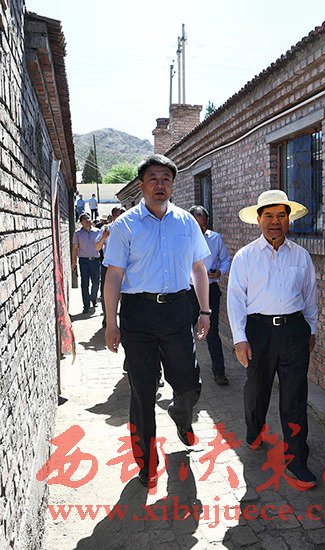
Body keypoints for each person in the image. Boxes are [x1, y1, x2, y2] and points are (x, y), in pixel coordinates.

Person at [103, 154, 211, 488]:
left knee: (189, 383)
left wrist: (205, 311)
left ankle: (181, 414)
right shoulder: (125, 225)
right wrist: (111, 323)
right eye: (153, 178)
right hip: (139, 315)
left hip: (178, 310)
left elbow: (198, 269)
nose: (160, 184)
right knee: (143, 391)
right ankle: (146, 463)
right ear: (142, 184)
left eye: (166, 178)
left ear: (173, 184)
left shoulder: (186, 222)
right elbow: (114, 276)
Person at [227, 189, 318, 487]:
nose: (275, 221)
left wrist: (311, 329)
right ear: (259, 219)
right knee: (257, 390)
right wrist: (239, 338)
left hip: (294, 331)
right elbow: (235, 299)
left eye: (281, 215)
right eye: (269, 216)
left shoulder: (301, 256)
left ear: (289, 220)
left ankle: (297, 460)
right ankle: (254, 431)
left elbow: (310, 296)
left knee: (294, 398)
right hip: (258, 332)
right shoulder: (245, 257)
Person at [187, 205, 231, 385]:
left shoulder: (215, 239)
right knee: (185, 331)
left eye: (204, 225)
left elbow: (226, 259)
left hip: (210, 290)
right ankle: (187, 373)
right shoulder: (181, 240)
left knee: (212, 332)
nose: (201, 229)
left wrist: (220, 271)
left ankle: (219, 372)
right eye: (197, 225)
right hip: (188, 292)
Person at [95, 206, 126, 327]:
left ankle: (125, 319)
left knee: (126, 293)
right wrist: (104, 237)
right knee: (107, 293)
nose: (122, 217)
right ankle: (108, 318)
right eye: (119, 215)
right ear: (113, 217)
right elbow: (97, 247)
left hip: (127, 266)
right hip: (109, 266)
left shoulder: (131, 227)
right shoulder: (106, 229)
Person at [71, 213, 102, 314]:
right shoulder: (77, 234)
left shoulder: (98, 232)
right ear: (81, 222)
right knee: (84, 284)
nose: (87, 220)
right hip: (83, 261)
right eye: (85, 219)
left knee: (96, 282)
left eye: (88, 218)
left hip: (95, 261)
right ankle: (86, 306)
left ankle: (93, 298)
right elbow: (74, 249)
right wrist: (74, 263)